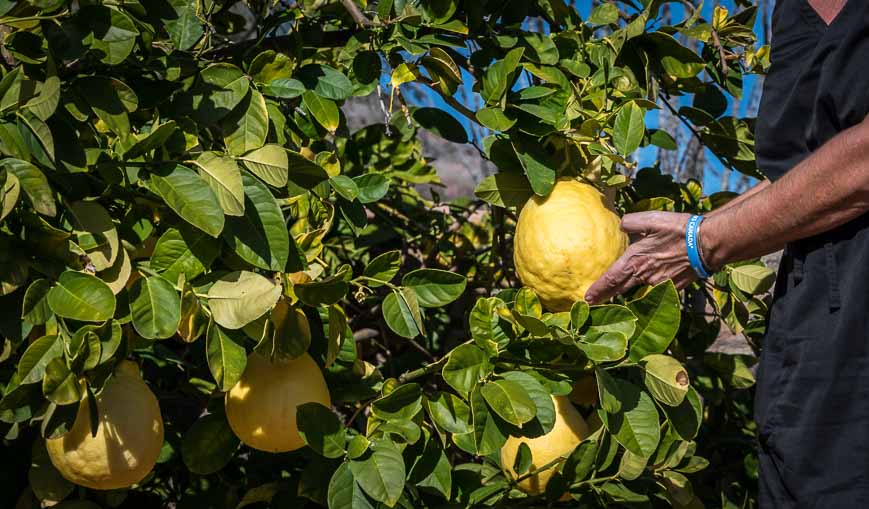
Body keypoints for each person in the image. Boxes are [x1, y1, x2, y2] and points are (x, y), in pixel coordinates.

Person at [585, 0, 869, 506]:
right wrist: (700, 230)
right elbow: (810, 176)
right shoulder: (788, 11)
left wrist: (706, 243)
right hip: (810, 368)